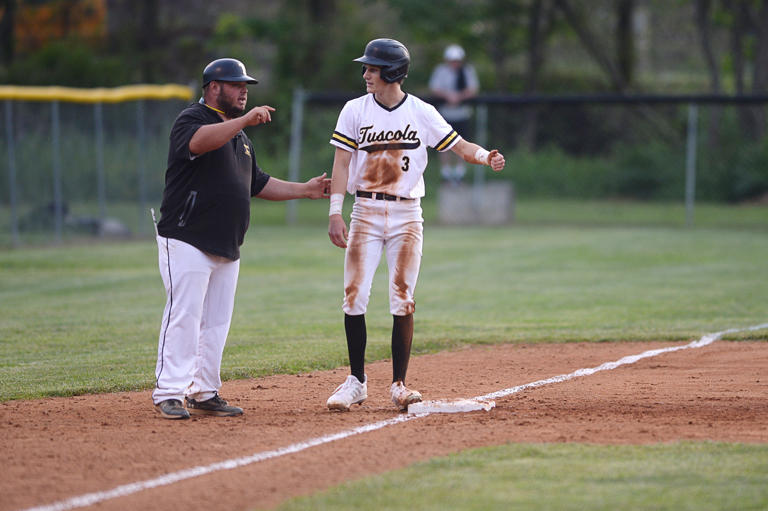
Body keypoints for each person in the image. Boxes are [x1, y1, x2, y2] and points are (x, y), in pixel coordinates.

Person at [326, 39, 505, 412]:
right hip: (365, 211)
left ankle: (399, 385)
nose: (365, 74)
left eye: (372, 69)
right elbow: (342, 163)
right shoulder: (354, 110)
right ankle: (356, 381)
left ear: (391, 72)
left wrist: (485, 156)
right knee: (354, 296)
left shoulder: (421, 112)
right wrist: (335, 211)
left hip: (407, 214)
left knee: (402, 298)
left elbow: (458, 146)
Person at [152, 58, 330, 420]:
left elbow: (258, 183)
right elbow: (199, 144)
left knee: (216, 322)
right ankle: (169, 391)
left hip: (226, 242)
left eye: (245, 84)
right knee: (184, 315)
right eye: (236, 84)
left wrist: (307, 190)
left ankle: (203, 391)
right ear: (214, 87)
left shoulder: (240, 137)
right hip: (187, 236)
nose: (244, 90)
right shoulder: (193, 119)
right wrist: (243, 122)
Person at [428, 44, 480, 185]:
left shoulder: (467, 71)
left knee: (462, 142)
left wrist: (459, 97)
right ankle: (446, 173)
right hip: (445, 113)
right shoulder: (441, 71)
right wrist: (448, 96)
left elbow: (473, 88)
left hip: (462, 113)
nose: (454, 63)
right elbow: (434, 88)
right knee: (444, 144)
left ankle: (459, 173)